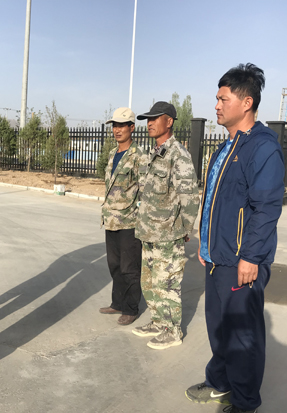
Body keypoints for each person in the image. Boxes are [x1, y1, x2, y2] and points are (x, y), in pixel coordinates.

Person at [185, 63, 285, 413]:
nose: (216, 105)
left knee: (242, 336)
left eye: (222, 99)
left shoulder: (262, 147)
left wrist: (251, 257)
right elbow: (215, 199)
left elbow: (266, 208)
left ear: (246, 102)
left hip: (242, 260)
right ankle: (220, 382)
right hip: (218, 256)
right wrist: (205, 243)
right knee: (219, 328)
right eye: (216, 98)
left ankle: (244, 403)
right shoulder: (226, 147)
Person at [132, 101, 200, 350]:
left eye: (154, 118)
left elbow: (190, 197)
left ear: (169, 121)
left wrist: (185, 229)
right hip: (149, 232)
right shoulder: (155, 153)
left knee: (167, 283)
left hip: (168, 234)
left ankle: (172, 331)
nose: (149, 123)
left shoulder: (178, 155)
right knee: (150, 283)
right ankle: (158, 322)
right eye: (147, 119)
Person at [100, 107, 144, 325]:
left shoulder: (139, 156)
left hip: (129, 221)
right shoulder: (112, 154)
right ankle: (117, 302)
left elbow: (145, 190)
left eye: (121, 125)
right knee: (114, 264)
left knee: (129, 267)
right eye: (114, 126)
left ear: (131, 128)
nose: (117, 130)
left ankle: (131, 308)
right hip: (111, 220)